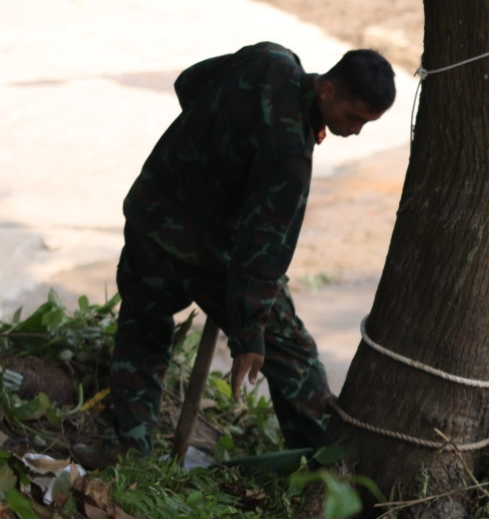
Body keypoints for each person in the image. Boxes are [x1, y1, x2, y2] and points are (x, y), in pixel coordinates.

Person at [110, 43, 394, 456]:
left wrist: (217, 152)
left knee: (141, 330)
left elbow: (190, 82)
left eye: (366, 124)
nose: (355, 131)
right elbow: (261, 250)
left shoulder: (269, 59)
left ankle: (131, 454)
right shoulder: (289, 155)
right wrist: (248, 334)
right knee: (292, 356)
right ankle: (324, 470)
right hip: (208, 252)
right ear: (328, 91)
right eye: (353, 118)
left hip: (150, 214)